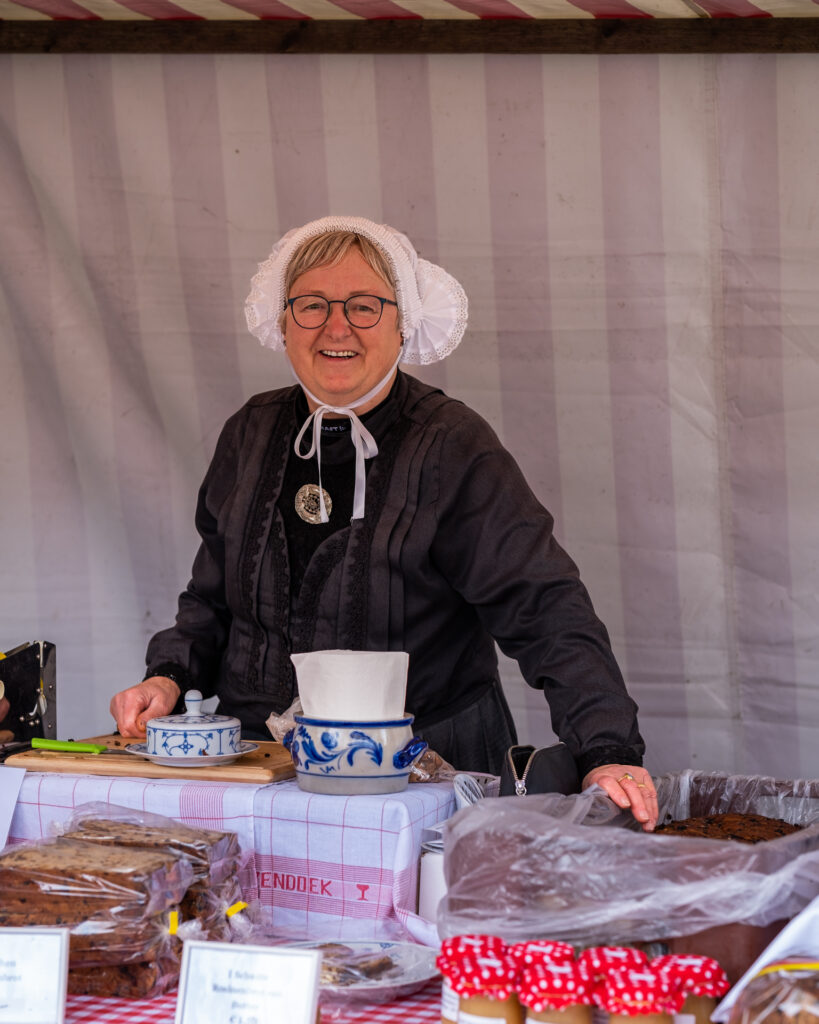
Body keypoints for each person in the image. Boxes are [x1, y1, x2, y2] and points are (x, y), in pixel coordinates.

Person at [110, 215, 658, 830]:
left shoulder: (452, 444)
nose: (336, 327)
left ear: (403, 323)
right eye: (312, 305)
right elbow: (211, 600)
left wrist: (607, 749)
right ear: (283, 321)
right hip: (256, 774)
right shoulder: (251, 431)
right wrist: (168, 677)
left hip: (423, 779)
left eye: (365, 306)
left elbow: (544, 607)